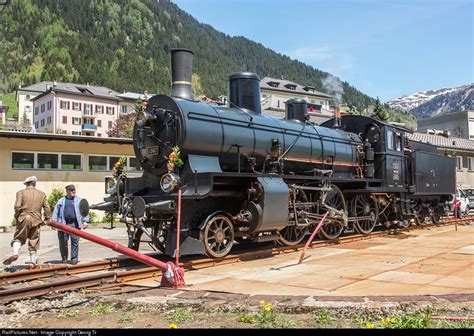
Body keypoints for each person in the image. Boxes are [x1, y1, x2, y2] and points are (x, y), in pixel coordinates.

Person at [3, 176, 51, 267]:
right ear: (34, 183)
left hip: (24, 217)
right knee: (34, 239)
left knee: (19, 237)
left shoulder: (20, 193)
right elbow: (47, 208)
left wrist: (17, 216)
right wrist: (47, 218)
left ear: (26, 184)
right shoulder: (42, 194)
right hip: (36, 219)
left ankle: (15, 252)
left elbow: (17, 206)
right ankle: (32, 261)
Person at [52, 184, 90, 265]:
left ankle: (74, 258)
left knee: (75, 242)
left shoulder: (79, 200)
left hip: (75, 224)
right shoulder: (61, 201)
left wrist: (85, 221)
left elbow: (85, 210)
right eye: (71, 190)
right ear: (67, 191)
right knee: (63, 242)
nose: (73, 191)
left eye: (74, 190)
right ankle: (64, 258)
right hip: (63, 224)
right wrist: (54, 223)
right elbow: (56, 212)